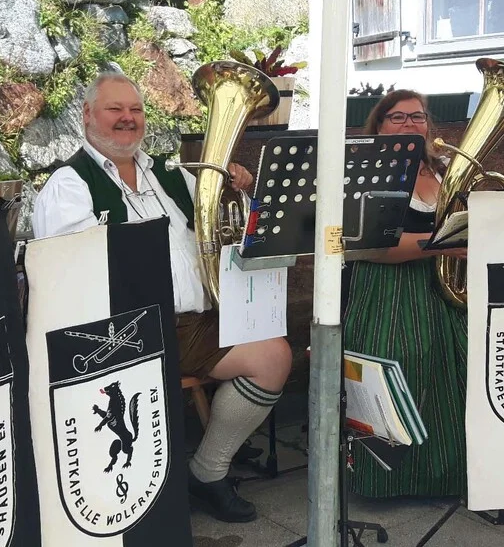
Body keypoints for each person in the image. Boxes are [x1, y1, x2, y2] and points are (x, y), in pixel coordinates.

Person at [31, 72, 292, 523]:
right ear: (88, 116)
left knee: (274, 356)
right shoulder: (69, 184)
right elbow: (67, 277)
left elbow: (230, 230)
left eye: (135, 110)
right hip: (122, 331)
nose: (127, 119)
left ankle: (206, 470)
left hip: (190, 322)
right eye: (115, 110)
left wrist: (243, 192)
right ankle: (172, 482)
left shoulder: (170, 177)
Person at [342, 90, 468, 499]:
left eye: (417, 117)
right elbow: (364, 247)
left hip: (445, 287)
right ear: (379, 126)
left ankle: (446, 477)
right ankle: (387, 483)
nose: (409, 124)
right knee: (402, 361)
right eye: (397, 117)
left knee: (457, 368)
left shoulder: (447, 170)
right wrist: (439, 243)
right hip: (387, 290)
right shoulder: (366, 174)